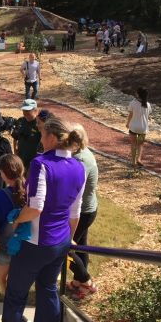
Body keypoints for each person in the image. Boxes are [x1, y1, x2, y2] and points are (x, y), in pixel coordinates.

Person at [0, 117, 86, 322]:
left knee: (16, 294)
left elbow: (35, 208)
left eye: (43, 135)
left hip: (36, 244)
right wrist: (68, 240)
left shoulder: (41, 163)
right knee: (48, 290)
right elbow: (75, 213)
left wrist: (16, 222)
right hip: (60, 242)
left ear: (52, 138)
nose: (41, 139)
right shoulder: (79, 166)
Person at [66, 124, 99, 300]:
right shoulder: (84, 153)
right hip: (89, 208)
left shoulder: (80, 161)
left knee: (66, 247)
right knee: (81, 247)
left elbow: (73, 189)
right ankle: (79, 281)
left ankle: (86, 281)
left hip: (83, 212)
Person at [0, 154, 27, 293]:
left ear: (4, 174)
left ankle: (9, 303)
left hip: (6, 247)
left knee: (2, 280)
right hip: (26, 245)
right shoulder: (31, 191)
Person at [11, 99, 41, 171]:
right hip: (21, 158)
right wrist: (15, 150)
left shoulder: (40, 124)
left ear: (35, 110)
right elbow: (15, 137)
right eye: (24, 110)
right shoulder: (20, 121)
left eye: (28, 111)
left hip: (34, 159)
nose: (25, 113)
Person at [126, 87, 151, 168]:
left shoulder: (133, 103)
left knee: (133, 144)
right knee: (140, 144)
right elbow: (148, 116)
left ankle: (133, 162)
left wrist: (127, 123)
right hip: (143, 127)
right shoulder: (147, 104)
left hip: (134, 127)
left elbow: (130, 114)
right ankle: (139, 159)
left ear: (138, 94)